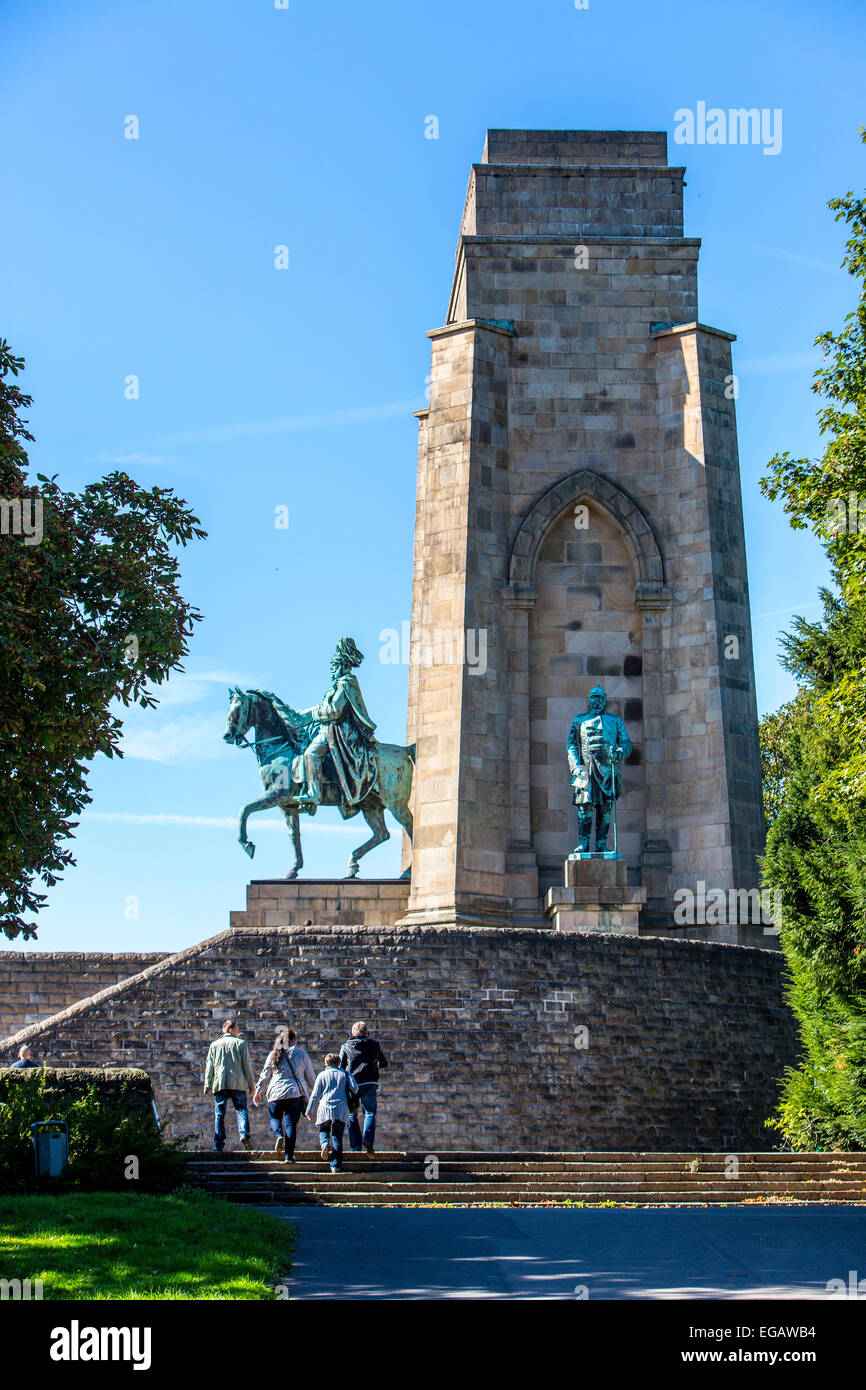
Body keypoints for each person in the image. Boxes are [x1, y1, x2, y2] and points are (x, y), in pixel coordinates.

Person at [297, 636, 378, 814]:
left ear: (342, 666)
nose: (331, 671)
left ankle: (314, 793)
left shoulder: (346, 684)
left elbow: (335, 710)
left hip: (340, 733)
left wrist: (310, 715)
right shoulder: (338, 685)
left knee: (311, 754)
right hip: (329, 731)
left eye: (333, 667)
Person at [252, 1028, 316, 1163]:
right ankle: (288, 1156)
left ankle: (278, 1135)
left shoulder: (273, 1054)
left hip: (275, 1093)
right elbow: (311, 1078)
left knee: (274, 1117)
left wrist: (258, 1091)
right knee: (291, 1124)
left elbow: (265, 1074)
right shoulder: (301, 1053)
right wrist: (314, 1093)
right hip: (294, 1094)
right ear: (293, 1040)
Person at [204, 1018, 257, 1153]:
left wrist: (208, 1084)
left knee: (219, 1114)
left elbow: (209, 1066)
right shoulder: (241, 1044)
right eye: (238, 1030)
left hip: (220, 1083)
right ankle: (244, 1134)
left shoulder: (214, 1045)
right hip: (237, 1083)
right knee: (241, 1110)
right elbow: (247, 1066)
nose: (239, 1032)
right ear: (231, 1029)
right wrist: (252, 1085)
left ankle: (218, 1144)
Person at [340, 1020, 388, 1156]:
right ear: (367, 1032)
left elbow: (341, 1066)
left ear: (352, 1033)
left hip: (352, 1083)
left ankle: (355, 1147)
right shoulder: (374, 1045)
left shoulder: (345, 1046)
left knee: (351, 1115)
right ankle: (368, 1140)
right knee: (370, 1113)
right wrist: (375, 1066)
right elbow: (384, 1062)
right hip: (370, 1083)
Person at [304, 1053, 358, 1173]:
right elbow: (355, 1088)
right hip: (341, 1109)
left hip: (325, 1108)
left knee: (323, 1130)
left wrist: (308, 1111)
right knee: (337, 1138)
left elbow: (315, 1095)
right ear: (338, 1063)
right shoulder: (344, 1074)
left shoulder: (322, 1075)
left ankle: (324, 1144)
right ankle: (335, 1166)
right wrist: (349, 1076)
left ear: (326, 1063)